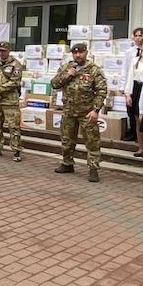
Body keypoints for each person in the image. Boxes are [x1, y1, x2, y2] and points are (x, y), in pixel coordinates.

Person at [50, 42, 108, 182]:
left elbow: (101, 91)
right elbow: (54, 84)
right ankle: (67, 163)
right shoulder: (66, 67)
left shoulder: (94, 70)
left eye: (80, 52)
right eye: (75, 53)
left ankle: (93, 169)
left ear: (86, 52)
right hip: (69, 111)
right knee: (67, 139)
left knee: (92, 141)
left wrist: (95, 110)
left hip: (87, 112)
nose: (78, 55)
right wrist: (68, 75)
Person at [125, 36, 143, 157]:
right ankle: (141, 147)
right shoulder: (135, 60)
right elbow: (130, 77)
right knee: (138, 120)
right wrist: (128, 94)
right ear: (141, 47)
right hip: (137, 89)